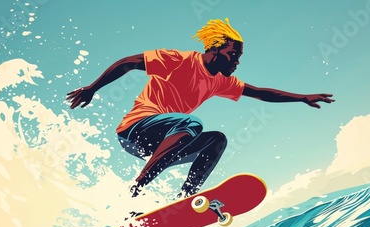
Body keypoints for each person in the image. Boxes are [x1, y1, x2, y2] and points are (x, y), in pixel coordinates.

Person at [66, 18, 334, 198]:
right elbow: (128, 62)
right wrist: (92, 88)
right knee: (191, 123)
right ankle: (135, 190)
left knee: (216, 140)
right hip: (135, 132)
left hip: (164, 143)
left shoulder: (220, 81)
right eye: (234, 55)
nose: (237, 62)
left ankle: (185, 199)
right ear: (216, 50)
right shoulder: (178, 60)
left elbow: (260, 93)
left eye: (239, 57)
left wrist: (301, 97)